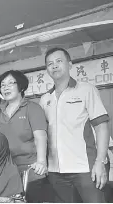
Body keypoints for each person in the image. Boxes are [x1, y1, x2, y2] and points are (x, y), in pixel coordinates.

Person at [40, 47, 110, 202]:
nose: (54, 66)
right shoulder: (45, 99)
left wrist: (100, 162)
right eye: (50, 63)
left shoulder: (86, 90)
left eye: (59, 61)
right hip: (55, 171)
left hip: (85, 168)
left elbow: (101, 126)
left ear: (70, 64)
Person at [0, 70, 50, 202]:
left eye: (10, 83)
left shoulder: (32, 108)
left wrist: (41, 161)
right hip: (5, 173)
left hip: (30, 171)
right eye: (2, 85)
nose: (5, 87)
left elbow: (40, 136)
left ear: (21, 86)